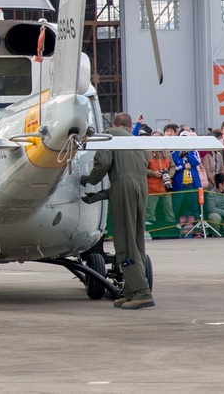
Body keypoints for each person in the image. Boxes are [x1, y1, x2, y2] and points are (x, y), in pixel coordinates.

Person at [80, 113, 154, 309]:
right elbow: (132, 175)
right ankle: (129, 292)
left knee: (125, 241)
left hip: (123, 187)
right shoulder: (137, 143)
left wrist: (89, 179)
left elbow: (103, 164)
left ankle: (141, 292)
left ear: (113, 124)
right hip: (141, 188)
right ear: (130, 127)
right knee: (136, 240)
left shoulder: (109, 136)